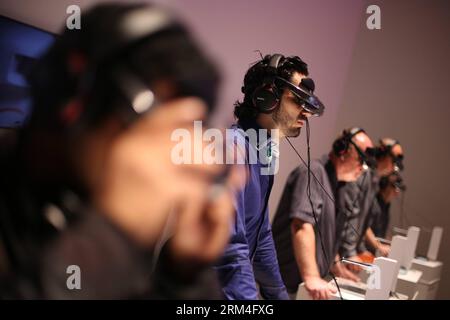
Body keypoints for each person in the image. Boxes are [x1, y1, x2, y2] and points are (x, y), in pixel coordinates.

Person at [0, 3, 239, 299]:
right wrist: (111, 239)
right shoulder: (110, 224)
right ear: (74, 101)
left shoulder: (86, 201)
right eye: (152, 130)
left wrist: (182, 277)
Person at [214, 53, 324, 300]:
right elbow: (230, 248)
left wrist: (278, 295)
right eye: (297, 100)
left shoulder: (264, 152)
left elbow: (261, 234)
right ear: (268, 98)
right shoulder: (232, 150)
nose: (305, 112)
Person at [272, 127, 374, 300]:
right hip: (284, 287)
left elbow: (324, 235)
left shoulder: (337, 185)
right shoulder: (314, 173)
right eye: (361, 158)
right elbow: (301, 225)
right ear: (343, 150)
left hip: (301, 289)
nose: (363, 168)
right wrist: (312, 276)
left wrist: (336, 265)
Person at [340, 137, 404, 264]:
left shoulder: (373, 181)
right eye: (394, 160)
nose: (395, 166)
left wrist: (361, 248)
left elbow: (362, 223)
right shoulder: (362, 176)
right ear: (382, 154)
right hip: (343, 253)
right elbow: (349, 217)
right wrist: (351, 252)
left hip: (352, 252)